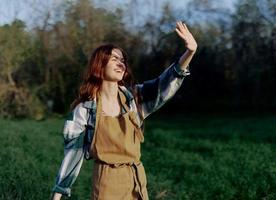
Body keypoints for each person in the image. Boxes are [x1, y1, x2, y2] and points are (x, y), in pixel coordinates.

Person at [52, 21, 197, 200]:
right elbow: (72, 156)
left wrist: (189, 52)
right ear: (99, 64)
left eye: (122, 60)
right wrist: (57, 195)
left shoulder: (135, 99)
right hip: (107, 185)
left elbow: (165, 83)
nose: (121, 64)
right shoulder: (85, 110)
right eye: (114, 59)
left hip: (137, 182)